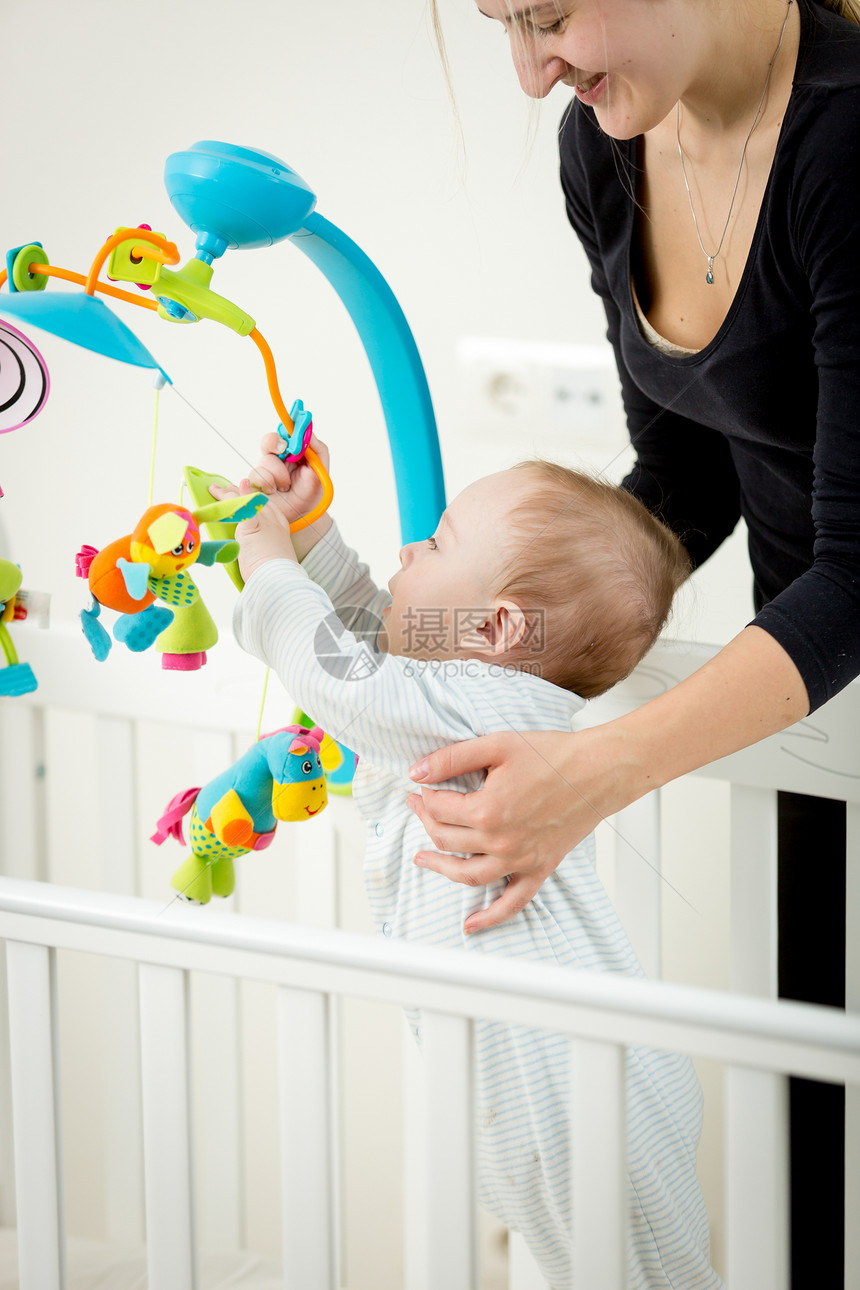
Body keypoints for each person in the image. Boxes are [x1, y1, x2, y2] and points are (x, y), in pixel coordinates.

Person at [417, 2, 859, 1285]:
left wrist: (595, 771)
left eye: (546, 14)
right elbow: (682, 477)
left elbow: (856, 571)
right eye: (503, 25)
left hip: (820, 654)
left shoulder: (839, 144)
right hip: (808, 712)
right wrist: (440, 642)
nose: (530, 70)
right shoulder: (605, 147)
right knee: (809, 1158)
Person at [216, 438, 722, 1289]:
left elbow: (343, 674)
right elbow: (385, 640)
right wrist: (310, 532)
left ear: (497, 629)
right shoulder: (467, 691)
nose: (412, 548)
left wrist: (270, 565)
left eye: (439, 542)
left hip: (567, 1080)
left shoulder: (474, 705)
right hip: (554, 1068)